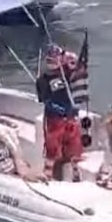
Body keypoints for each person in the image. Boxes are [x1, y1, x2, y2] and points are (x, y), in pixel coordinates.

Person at [35, 54, 84, 182]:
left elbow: (79, 70)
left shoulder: (67, 72)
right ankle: (49, 178)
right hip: (54, 119)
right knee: (53, 150)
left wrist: (71, 59)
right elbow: (45, 100)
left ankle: (76, 177)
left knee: (74, 149)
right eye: (49, 59)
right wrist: (57, 109)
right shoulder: (43, 79)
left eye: (56, 58)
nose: (53, 61)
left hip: (71, 118)